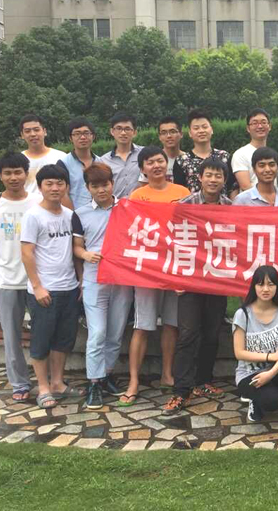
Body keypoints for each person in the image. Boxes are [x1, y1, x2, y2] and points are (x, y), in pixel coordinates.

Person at [119, 147, 191, 406]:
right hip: (147, 269)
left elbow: (191, 228)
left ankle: (167, 374)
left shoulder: (183, 193)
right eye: (150, 162)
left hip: (175, 267)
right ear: (143, 169)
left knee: (171, 324)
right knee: (143, 325)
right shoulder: (137, 196)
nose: (156, 165)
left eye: (160, 160)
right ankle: (133, 381)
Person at [163, 158, 233, 415]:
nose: (213, 180)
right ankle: (181, 391)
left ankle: (204, 381)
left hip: (218, 279)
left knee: (212, 333)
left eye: (218, 175)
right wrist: (176, 277)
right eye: (209, 175)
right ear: (200, 177)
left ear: (224, 180)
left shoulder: (231, 207)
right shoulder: (185, 205)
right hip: (190, 280)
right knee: (188, 333)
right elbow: (172, 242)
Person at [0, 151, 40, 403]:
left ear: (26, 174)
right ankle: (20, 383)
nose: (13, 177)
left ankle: (46, 380)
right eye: (8, 173)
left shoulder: (38, 201)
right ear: (0, 176)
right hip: (6, 281)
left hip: (37, 281)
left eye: (18, 172)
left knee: (44, 332)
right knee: (11, 336)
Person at [20, 164, 82, 409]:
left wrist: (80, 282)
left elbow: (75, 250)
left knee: (63, 340)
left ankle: (57, 382)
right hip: (45, 290)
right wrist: (37, 287)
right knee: (41, 340)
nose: (55, 188)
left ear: (66, 186)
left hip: (69, 287)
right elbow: (27, 253)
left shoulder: (70, 215)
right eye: (49, 184)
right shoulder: (33, 216)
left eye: (59, 183)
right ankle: (43, 387)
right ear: (40, 187)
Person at [72, 162, 132, 409]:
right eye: (95, 186)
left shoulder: (127, 208)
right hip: (94, 278)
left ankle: (106, 374)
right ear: (88, 188)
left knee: (115, 332)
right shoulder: (80, 214)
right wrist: (86, 255)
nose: (101, 190)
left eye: (105, 184)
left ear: (112, 184)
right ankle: (94, 382)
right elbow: (76, 247)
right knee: (97, 333)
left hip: (122, 279)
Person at [233, 265, 278, 426]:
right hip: (249, 375)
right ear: (254, 286)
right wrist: (271, 356)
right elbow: (239, 353)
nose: (265, 289)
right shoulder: (243, 314)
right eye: (261, 284)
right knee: (271, 402)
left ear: (277, 287)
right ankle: (255, 400)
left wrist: (271, 373)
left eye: (270, 284)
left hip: (274, 371)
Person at [173, 109, 233, 195]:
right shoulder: (182, 161)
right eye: (196, 128)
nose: (201, 131)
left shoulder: (224, 156)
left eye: (204, 127)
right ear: (190, 133)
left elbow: (232, 187)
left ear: (211, 130)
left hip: (222, 203)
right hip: (191, 203)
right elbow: (179, 190)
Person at [18, 114, 67, 195]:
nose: (33, 134)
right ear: (22, 135)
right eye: (27, 131)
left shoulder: (61, 157)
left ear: (44, 131)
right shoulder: (18, 159)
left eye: (36, 130)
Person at [99, 112, 142, 199]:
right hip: (116, 205)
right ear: (112, 131)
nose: (123, 133)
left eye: (127, 129)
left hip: (140, 203)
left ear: (134, 132)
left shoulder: (144, 154)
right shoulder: (103, 161)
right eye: (119, 128)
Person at [57, 118, 98, 210]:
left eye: (86, 133)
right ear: (70, 138)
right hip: (75, 214)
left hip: (100, 215)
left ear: (93, 136)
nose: (82, 137)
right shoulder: (63, 163)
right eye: (77, 134)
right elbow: (63, 194)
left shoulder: (101, 162)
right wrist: (73, 215)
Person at [231, 108, 273, 192]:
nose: (260, 126)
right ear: (248, 128)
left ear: (269, 126)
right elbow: (245, 187)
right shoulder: (240, 155)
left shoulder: (276, 157)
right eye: (255, 123)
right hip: (251, 200)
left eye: (263, 122)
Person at [141, 116, 184, 185]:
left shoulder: (188, 159)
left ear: (181, 134)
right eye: (164, 133)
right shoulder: (152, 160)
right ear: (159, 137)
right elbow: (144, 186)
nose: (169, 136)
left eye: (173, 132)